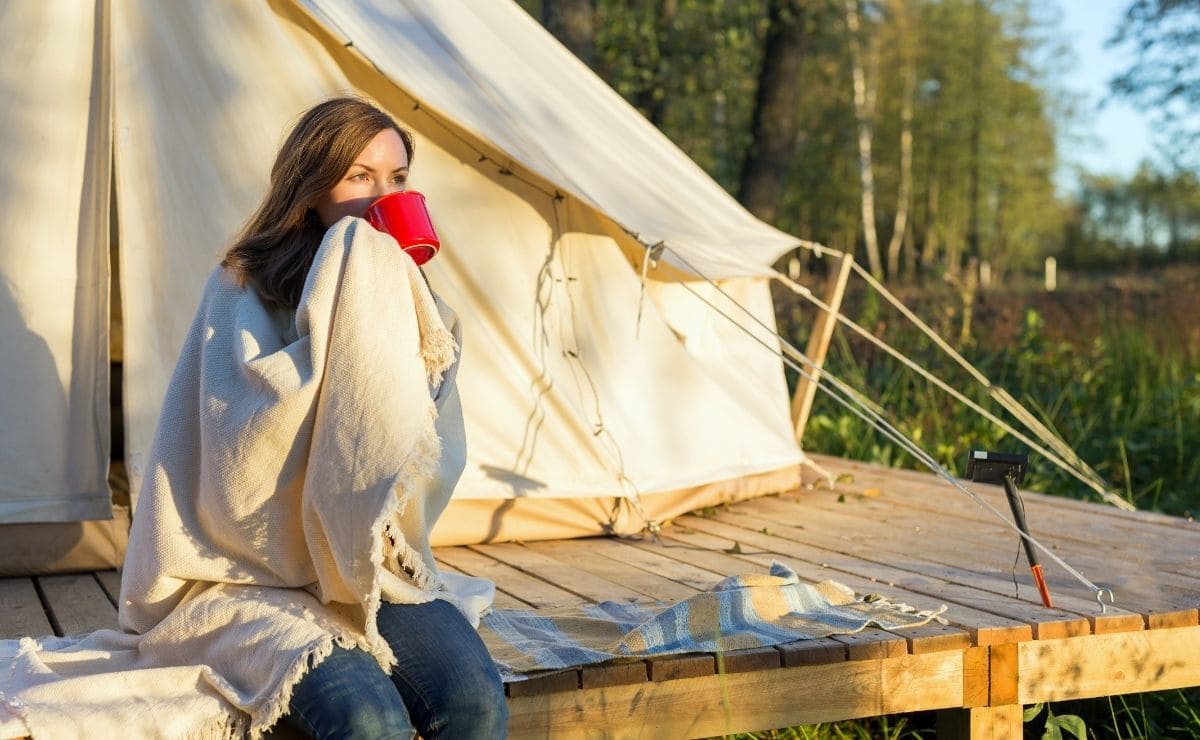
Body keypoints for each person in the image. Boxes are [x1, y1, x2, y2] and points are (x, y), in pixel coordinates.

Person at [214, 97, 508, 739]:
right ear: (313, 188)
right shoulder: (243, 289)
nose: (382, 195)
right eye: (359, 176)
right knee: (367, 718)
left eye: (397, 179)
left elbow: (432, 448)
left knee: (475, 702)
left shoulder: (420, 307)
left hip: (371, 565)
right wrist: (327, 350)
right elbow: (231, 443)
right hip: (257, 573)